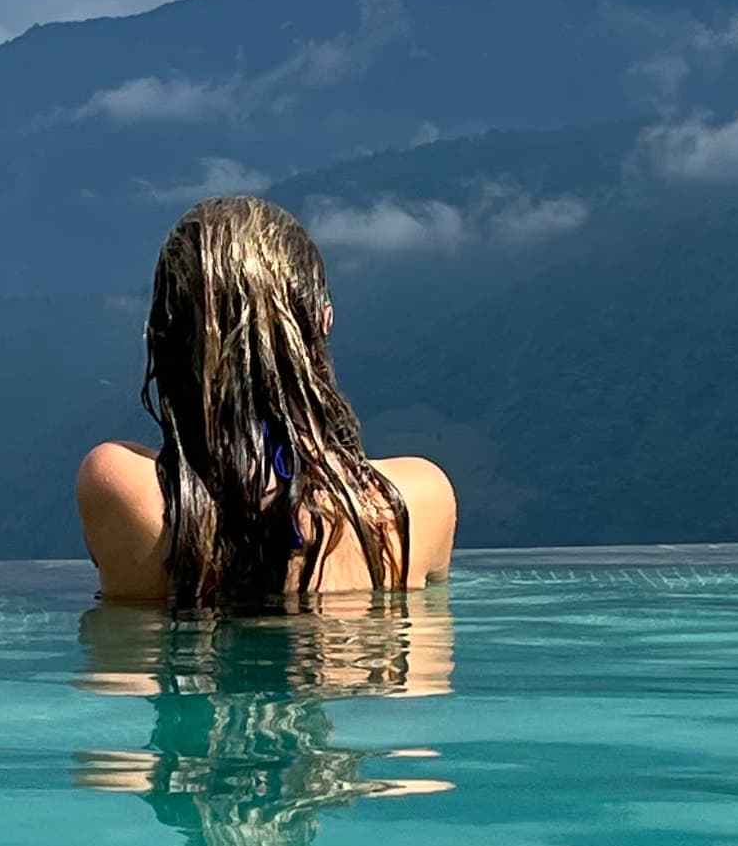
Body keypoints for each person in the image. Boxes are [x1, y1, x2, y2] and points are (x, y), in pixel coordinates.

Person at [76, 196, 459, 610]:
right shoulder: (419, 498)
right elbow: (421, 667)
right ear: (324, 322)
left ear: (165, 333)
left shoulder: (121, 485)